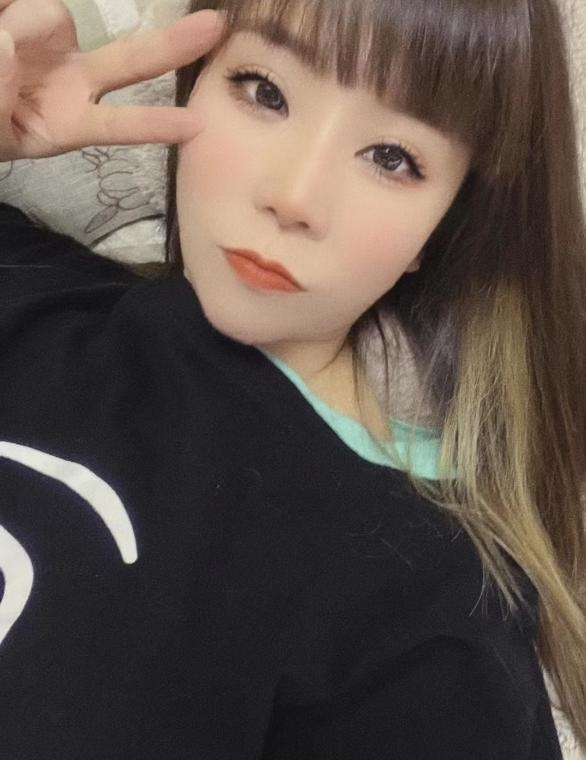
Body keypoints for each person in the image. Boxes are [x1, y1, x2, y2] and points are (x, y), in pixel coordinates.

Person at [0, 0, 584, 757]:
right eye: (264, 91)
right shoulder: (33, 281)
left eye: (392, 158)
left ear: (445, 225)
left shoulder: (429, 609)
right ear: (194, 82)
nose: (295, 197)